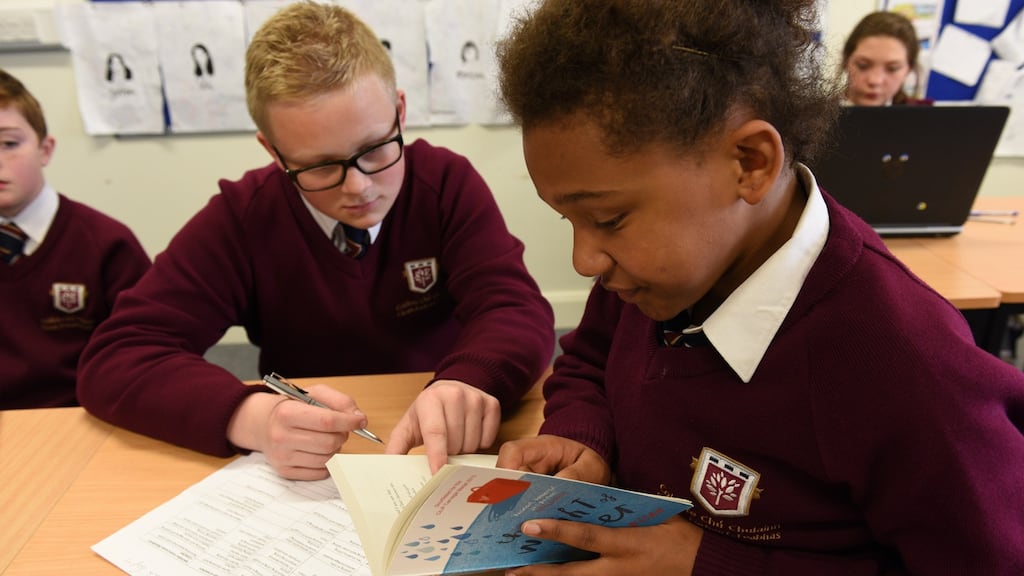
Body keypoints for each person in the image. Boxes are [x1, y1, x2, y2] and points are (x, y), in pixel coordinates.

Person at [492, 1, 1024, 574]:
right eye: (567, 219)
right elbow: (590, 358)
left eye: (609, 219)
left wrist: (712, 566)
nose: (584, 260)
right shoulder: (651, 275)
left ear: (749, 163)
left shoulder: (905, 364)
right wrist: (583, 434)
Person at [77, 1, 554, 480]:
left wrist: (469, 380)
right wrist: (254, 417)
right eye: (321, 166)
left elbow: (513, 307)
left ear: (400, 111)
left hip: (437, 439)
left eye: (375, 149)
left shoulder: (444, 184)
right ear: (273, 151)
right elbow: (118, 357)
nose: (359, 187)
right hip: (310, 463)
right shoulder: (243, 218)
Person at [0, 69, 149, 409]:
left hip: (84, 418)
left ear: (45, 150)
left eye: (9, 144)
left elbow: (148, 354)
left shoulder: (106, 244)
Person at [842, 11, 931, 106]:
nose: (875, 81)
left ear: (908, 70)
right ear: (846, 61)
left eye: (892, 69)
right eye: (863, 66)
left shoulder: (926, 113)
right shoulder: (830, 109)